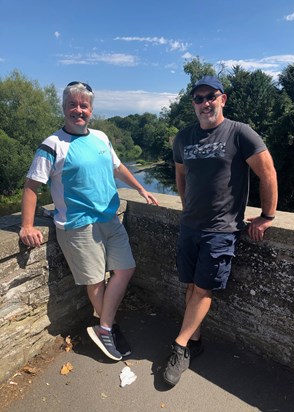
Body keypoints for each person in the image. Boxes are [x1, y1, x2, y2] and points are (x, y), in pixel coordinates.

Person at [19, 81, 158, 362]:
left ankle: (104, 326)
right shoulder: (52, 144)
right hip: (78, 225)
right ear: (64, 108)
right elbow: (31, 186)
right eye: (73, 104)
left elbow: (117, 167)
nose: (78, 110)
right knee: (95, 281)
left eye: (84, 105)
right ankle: (109, 328)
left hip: (109, 218)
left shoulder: (101, 137)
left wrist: (140, 188)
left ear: (91, 110)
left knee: (126, 268)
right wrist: (26, 225)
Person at [163, 75, 277, 386]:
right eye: (198, 99)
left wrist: (267, 216)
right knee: (189, 286)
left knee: (203, 290)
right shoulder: (184, 138)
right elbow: (181, 177)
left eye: (211, 96)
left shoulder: (240, 133)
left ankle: (180, 345)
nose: (205, 103)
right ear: (193, 104)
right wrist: (187, 207)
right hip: (190, 226)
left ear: (222, 99)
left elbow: (267, 172)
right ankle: (194, 342)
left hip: (221, 230)